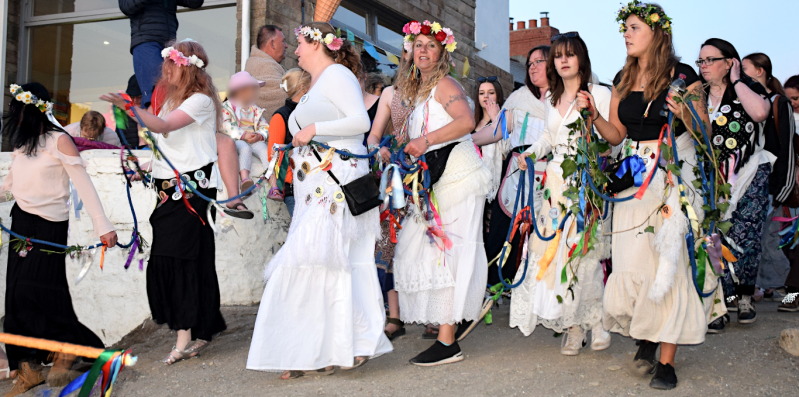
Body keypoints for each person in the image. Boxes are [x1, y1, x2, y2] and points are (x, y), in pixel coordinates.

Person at [247, 22, 392, 379]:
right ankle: (331, 347)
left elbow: (359, 122)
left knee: (317, 260)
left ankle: (316, 349)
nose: (295, 50)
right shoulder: (317, 86)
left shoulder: (338, 75)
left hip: (335, 185)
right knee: (326, 262)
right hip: (315, 185)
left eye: (299, 43)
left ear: (317, 44)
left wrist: (312, 130)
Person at [595, 2, 721, 390]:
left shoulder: (682, 77)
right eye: (626, 29)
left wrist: (685, 112)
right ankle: (647, 334)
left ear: (656, 32)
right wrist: (593, 118)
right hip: (635, 174)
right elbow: (616, 133)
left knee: (670, 263)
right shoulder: (621, 77)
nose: (627, 34)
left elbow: (703, 132)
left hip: (672, 173)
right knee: (633, 263)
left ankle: (666, 360)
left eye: (634, 27)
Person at [101, 39, 227, 365]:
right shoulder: (170, 102)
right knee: (194, 258)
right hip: (167, 189)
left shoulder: (199, 101)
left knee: (178, 258)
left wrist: (131, 108)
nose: (164, 70)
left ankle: (183, 335)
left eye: (170, 64)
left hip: (190, 192)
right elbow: (166, 147)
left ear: (185, 68)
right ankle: (203, 326)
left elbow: (165, 127)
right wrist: (144, 169)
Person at [2, 82, 117, 396]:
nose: (15, 115)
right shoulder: (23, 144)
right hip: (20, 223)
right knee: (14, 297)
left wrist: (102, 225)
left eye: (18, 109)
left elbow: (83, 184)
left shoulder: (60, 141)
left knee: (37, 293)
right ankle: (28, 368)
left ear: (31, 109)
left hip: (49, 227)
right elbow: (12, 185)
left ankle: (70, 349)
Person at [392, 20, 491, 366]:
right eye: (417, 44)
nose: (422, 50)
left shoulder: (445, 84)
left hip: (459, 177)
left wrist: (425, 141)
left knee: (450, 253)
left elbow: (465, 121)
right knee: (425, 250)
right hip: (438, 178)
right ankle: (446, 330)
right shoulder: (419, 90)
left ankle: (448, 340)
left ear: (442, 52)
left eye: (430, 45)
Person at [514, 32, 612, 356]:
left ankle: (596, 322)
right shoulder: (550, 97)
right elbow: (547, 137)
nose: (563, 60)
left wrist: (594, 116)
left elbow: (614, 140)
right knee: (555, 256)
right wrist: (530, 153)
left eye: (569, 54)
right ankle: (573, 329)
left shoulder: (600, 93)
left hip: (587, 182)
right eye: (558, 56)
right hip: (556, 183)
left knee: (585, 253)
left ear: (581, 57)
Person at [471, 45, 550, 338]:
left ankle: (545, 303)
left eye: (539, 61)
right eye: (529, 62)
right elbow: (497, 132)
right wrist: (465, 140)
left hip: (549, 175)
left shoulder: (562, 100)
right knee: (500, 237)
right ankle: (492, 292)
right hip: (516, 173)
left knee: (543, 240)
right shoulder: (517, 98)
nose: (531, 67)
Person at [698, 39, 773, 329]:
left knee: (745, 237)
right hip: (712, 178)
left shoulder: (747, 88)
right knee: (713, 236)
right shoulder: (698, 95)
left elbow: (760, 113)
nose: (703, 66)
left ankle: (743, 295)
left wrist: (738, 79)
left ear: (729, 62)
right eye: (700, 61)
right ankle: (719, 302)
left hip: (750, 173)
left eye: (710, 60)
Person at [365, 48, 413, 341]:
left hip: (429, 173)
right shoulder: (389, 94)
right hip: (394, 177)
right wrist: (377, 150)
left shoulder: (440, 91)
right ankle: (393, 316)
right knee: (388, 242)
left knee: (426, 243)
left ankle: (435, 314)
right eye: (409, 54)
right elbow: (372, 135)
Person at [742, 53, 793, 304]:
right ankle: (765, 286)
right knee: (760, 237)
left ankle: (788, 289)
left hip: (773, 184)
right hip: (751, 183)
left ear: (760, 71)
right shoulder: (745, 102)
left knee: (771, 239)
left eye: (744, 68)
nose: (739, 74)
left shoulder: (778, 103)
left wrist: (784, 186)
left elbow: (788, 148)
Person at [119, 0, 204, 107]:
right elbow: (126, 6)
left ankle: (166, 121)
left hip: (169, 44)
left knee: (172, 90)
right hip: (146, 41)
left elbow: (195, 3)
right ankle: (152, 122)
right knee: (157, 91)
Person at [220, 71, 278, 197]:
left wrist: (259, 135)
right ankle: (245, 179)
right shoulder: (227, 107)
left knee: (266, 151)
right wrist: (242, 135)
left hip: (254, 139)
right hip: (237, 140)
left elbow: (265, 126)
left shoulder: (254, 109)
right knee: (245, 149)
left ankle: (274, 185)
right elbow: (224, 125)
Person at [267, 68, 311, 217]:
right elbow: (273, 157)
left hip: (315, 184)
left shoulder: (313, 113)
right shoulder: (280, 116)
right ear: (303, 88)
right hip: (294, 188)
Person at [245, 25, 289, 116]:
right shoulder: (259, 65)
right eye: (283, 41)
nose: (286, 46)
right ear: (272, 44)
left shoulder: (266, 64)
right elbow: (282, 96)